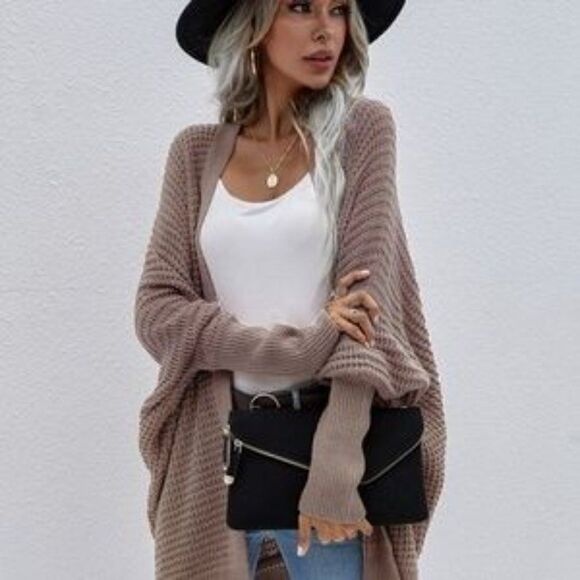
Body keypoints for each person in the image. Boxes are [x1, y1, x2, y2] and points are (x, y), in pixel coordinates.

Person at [133, 1, 447, 578]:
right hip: (214, 463)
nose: (326, 30)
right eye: (300, 6)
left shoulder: (363, 132)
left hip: (329, 459)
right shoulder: (195, 155)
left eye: (338, 9)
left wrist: (338, 464)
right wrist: (296, 349)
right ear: (251, 25)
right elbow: (157, 310)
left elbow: (369, 312)